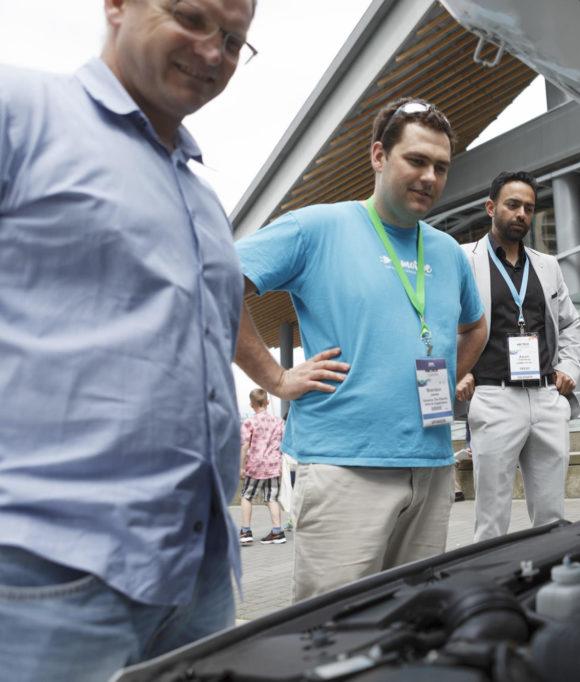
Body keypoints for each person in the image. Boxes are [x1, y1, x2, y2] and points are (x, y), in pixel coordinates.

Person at [0, 0, 258, 679]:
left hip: (197, 581)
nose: (212, 51)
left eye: (234, 40)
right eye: (193, 18)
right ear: (116, 5)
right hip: (41, 574)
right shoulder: (20, 109)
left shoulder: (202, 196)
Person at [234, 97, 487, 601]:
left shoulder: (445, 250)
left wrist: (441, 378)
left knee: (412, 624)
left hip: (432, 467)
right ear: (377, 156)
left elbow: (475, 328)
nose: (430, 177)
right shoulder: (317, 227)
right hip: (344, 466)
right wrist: (277, 379)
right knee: (334, 631)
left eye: (441, 166)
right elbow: (213, 281)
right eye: (416, 160)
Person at [455, 171, 580, 542]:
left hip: (546, 397)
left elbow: (571, 324)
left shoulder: (547, 265)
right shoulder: (464, 259)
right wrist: (457, 370)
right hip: (494, 397)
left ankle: (548, 587)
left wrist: (568, 368)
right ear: (491, 207)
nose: (521, 214)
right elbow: (439, 320)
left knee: (551, 516)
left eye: (529, 207)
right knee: (492, 518)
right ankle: (491, 591)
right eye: (513, 205)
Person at [239, 389, 286, 545]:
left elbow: (245, 446)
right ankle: (277, 532)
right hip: (273, 464)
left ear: (251, 405)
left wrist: (241, 467)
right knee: (272, 498)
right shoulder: (278, 421)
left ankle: (246, 531)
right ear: (267, 402)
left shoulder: (249, 422)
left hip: (255, 464)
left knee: (247, 496)